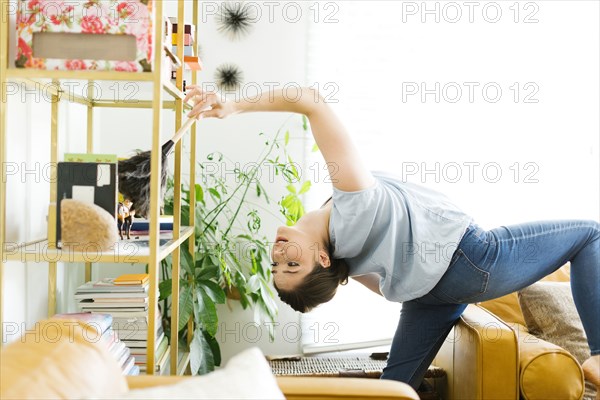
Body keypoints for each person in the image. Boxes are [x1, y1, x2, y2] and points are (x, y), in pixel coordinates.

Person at [184, 86, 600, 393]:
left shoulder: (346, 250)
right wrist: (235, 104)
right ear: (321, 260)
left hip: (430, 298)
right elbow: (311, 100)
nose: (278, 256)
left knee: (393, 388)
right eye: (292, 265)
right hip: (470, 259)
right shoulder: (353, 204)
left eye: (278, 266)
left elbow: (387, 292)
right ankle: (598, 356)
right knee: (590, 235)